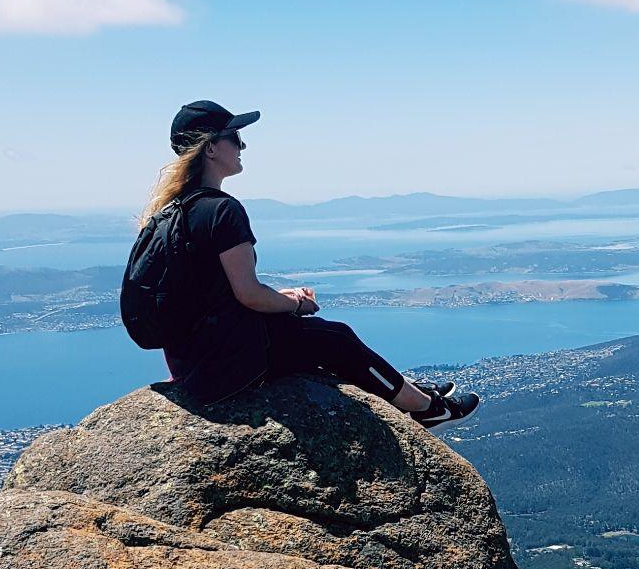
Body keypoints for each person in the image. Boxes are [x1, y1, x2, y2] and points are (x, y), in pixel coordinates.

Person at [141, 98, 480, 424]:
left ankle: (412, 393)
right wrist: (293, 306)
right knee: (336, 339)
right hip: (223, 365)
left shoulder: (172, 212)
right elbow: (249, 295)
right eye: (235, 137)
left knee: (317, 336)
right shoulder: (221, 210)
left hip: (191, 361)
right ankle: (426, 408)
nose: (242, 146)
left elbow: (215, 294)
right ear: (211, 148)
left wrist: (285, 297)